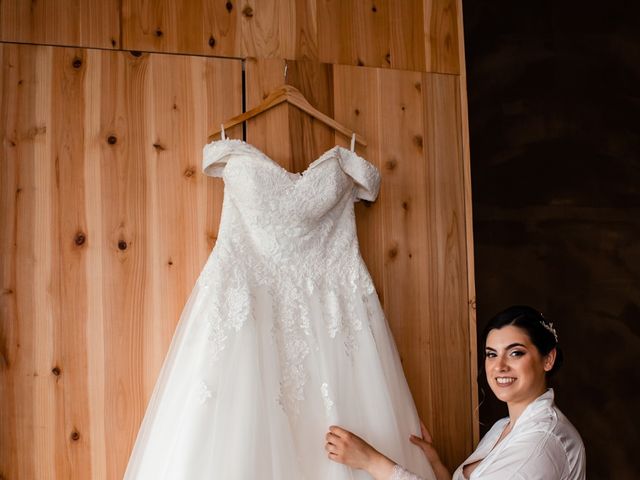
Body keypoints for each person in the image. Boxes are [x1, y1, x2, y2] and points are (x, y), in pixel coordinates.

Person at [325, 305, 586, 479]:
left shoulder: (541, 443)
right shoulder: (504, 427)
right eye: (491, 354)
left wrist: (372, 462)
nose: (499, 366)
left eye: (516, 352)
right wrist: (437, 465)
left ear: (547, 359)